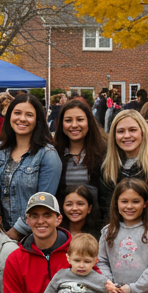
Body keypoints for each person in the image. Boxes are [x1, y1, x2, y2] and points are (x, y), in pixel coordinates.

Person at [0, 94, 62, 238]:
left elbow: (43, 202)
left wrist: (15, 232)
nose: (22, 119)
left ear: (38, 120)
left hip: (32, 237)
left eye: (29, 115)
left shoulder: (47, 155)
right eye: (17, 113)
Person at [54, 99, 108, 231]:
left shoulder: (104, 152)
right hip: (64, 227)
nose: (74, 125)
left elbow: (107, 195)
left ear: (89, 121)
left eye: (80, 119)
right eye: (68, 120)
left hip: (97, 226)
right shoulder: (54, 154)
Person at [99, 110, 148, 208]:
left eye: (132, 130)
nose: (127, 135)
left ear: (142, 132)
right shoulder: (107, 166)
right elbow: (106, 206)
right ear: (114, 136)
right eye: (121, 131)